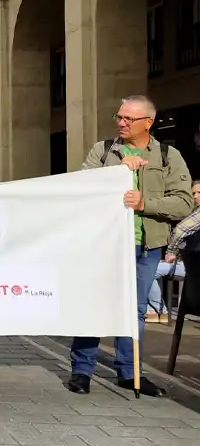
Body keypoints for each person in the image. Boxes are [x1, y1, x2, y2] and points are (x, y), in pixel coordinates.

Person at [68, 95, 193, 398]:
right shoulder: (104, 150)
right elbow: (83, 187)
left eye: (129, 119)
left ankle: (130, 373)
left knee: (135, 310)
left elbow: (184, 202)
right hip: (106, 244)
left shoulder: (168, 155)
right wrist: (117, 173)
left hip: (147, 245)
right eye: (119, 117)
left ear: (148, 122)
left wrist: (145, 202)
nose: (121, 123)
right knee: (95, 304)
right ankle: (82, 371)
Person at [152, 180, 200, 322]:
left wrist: (171, 251)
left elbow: (180, 230)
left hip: (193, 268)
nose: (196, 196)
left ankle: (157, 311)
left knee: (150, 271)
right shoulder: (193, 210)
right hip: (190, 265)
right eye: (193, 193)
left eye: (199, 193)